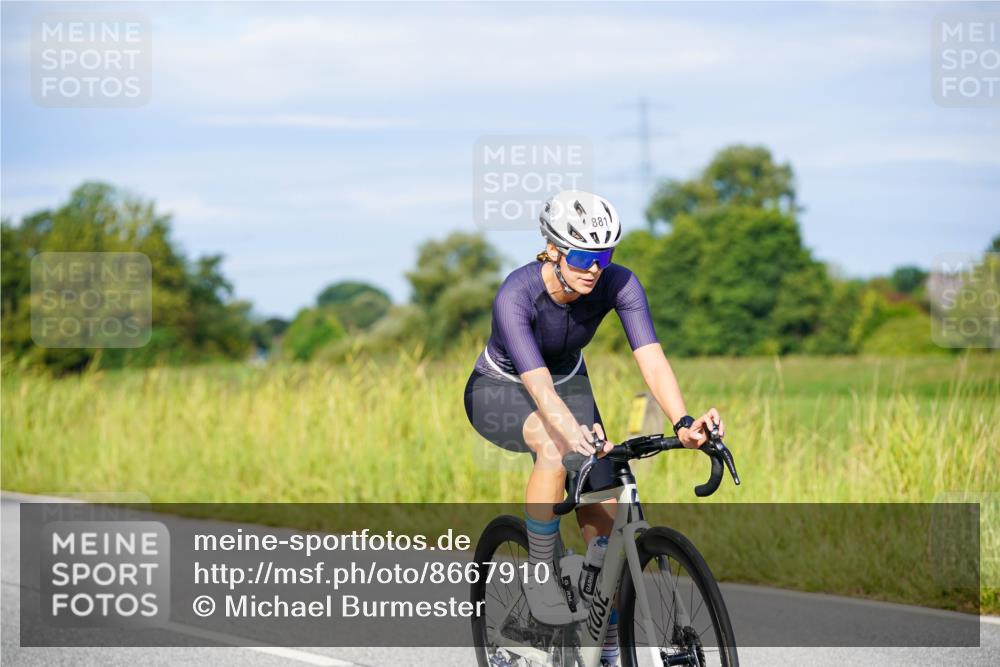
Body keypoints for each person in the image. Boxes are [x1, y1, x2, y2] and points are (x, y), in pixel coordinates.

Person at [463, 190, 724, 667]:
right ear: (554, 250)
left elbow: (651, 359)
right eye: (583, 256)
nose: (594, 268)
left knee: (605, 511)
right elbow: (539, 391)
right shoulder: (516, 294)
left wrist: (684, 422)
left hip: (568, 383)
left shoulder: (619, 284)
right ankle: (542, 573)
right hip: (501, 388)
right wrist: (570, 434)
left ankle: (600, 635)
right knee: (553, 445)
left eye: (604, 256)